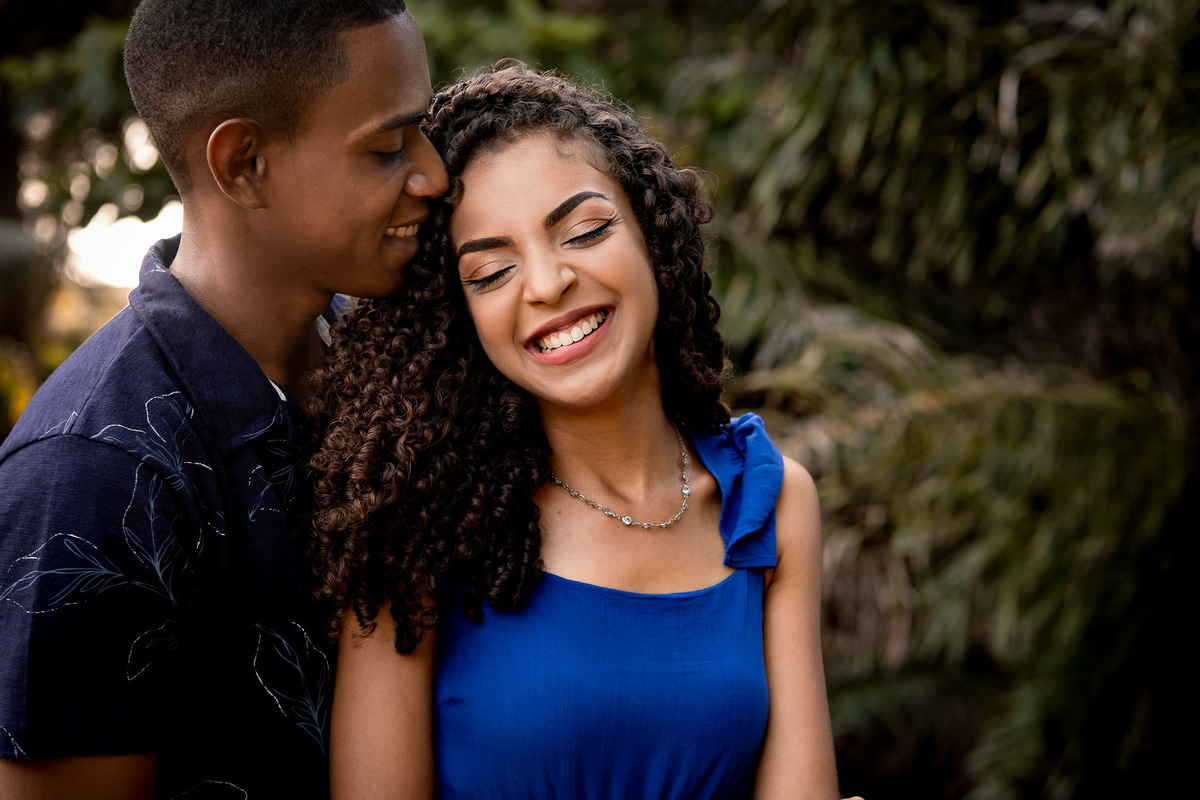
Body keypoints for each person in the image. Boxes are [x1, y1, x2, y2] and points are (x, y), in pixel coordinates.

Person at [309, 63, 847, 799]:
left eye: (584, 231)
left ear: (653, 235)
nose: (546, 283)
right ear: (459, 321)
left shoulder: (770, 503)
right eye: (491, 273)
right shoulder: (415, 526)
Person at [0, 1, 447, 797]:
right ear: (242, 163)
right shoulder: (92, 475)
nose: (434, 174)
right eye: (387, 147)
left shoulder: (385, 357)